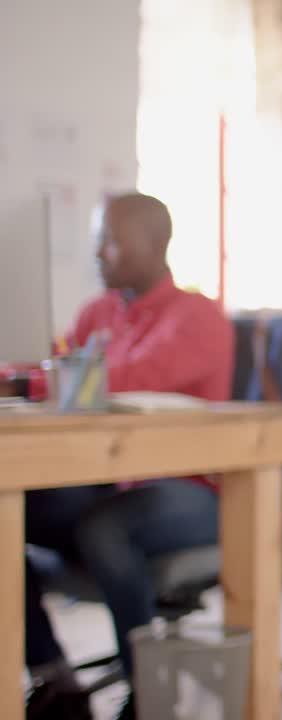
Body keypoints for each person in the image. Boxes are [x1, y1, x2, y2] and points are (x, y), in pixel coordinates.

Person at [5, 193, 234, 720]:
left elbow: (127, 379)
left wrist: (35, 380)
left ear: (157, 244)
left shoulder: (198, 318)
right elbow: (60, 377)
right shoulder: (96, 314)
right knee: (10, 516)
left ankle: (148, 693)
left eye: (110, 241)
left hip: (192, 491)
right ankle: (53, 678)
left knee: (104, 529)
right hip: (110, 483)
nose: (98, 253)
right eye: (95, 241)